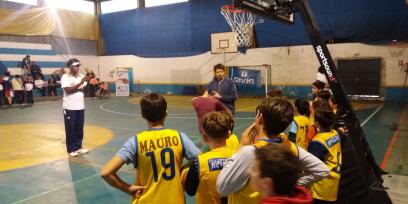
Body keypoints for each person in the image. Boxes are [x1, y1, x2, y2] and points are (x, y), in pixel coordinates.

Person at [216, 97, 329, 204]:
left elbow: (222, 188)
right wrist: (286, 183)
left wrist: (240, 148)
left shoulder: (250, 152)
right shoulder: (290, 146)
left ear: (259, 118)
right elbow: (322, 170)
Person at [100, 93, 200, 204]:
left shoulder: (135, 142)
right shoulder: (179, 137)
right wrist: (183, 169)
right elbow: (201, 160)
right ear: (165, 114)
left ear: (143, 115)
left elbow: (106, 173)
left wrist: (127, 188)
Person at [183, 111, 235, 204]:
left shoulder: (199, 162)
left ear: (205, 137)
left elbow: (190, 190)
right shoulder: (238, 158)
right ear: (228, 134)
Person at [308, 101, 342, 204]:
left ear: (317, 123)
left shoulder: (317, 142)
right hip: (334, 181)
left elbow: (312, 166)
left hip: (321, 186)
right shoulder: (335, 133)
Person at [61, 58, 89, 157]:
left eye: (78, 65)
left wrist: (82, 84)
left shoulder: (81, 76)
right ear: (70, 67)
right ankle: (71, 149)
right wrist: (80, 84)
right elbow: (68, 90)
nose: (77, 67)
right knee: (70, 128)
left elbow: (84, 87)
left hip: (80, 107)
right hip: (70, 108)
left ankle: (78, 147)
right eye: (75, 66)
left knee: (79, 128)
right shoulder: (65, 77)